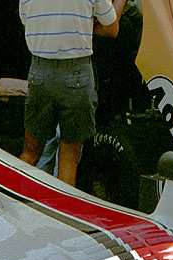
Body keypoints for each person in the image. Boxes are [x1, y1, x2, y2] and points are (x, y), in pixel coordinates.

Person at [18, 0, 126, 186]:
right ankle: (60, 213)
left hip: (40, 72)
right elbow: (112, 29)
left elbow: (28, 25)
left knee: (30, 153)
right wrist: (84, 24)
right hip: (77, 74)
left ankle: (13, 207)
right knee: (68, 161)